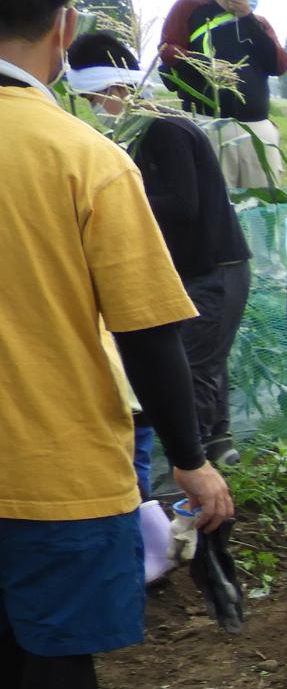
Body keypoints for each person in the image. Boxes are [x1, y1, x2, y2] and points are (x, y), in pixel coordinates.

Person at [0, 0, 233, 689]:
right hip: (52, 450)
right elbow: (147, 331)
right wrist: (192, 460)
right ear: (63, 28)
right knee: (57, 638)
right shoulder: (80, 156)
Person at [68, 30, 253, 482]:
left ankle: (188, 480)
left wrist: (113, 199)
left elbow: (182, 205)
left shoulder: (163, 129)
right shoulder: (145, 131)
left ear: (117, 89)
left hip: (214, 269)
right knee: (202, 367)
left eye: (96, 97)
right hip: (197, 269)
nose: (96, 108)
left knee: (192, 373)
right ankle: (214, 461)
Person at [158, 0, 287, 191]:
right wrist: (204, 64)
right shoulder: (190, 6)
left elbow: (278, 65)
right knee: (212, 200)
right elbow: (167, 49)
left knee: (263, 208)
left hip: (257, 129)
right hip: (207, 124)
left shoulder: (258, 22)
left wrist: (247, 18)